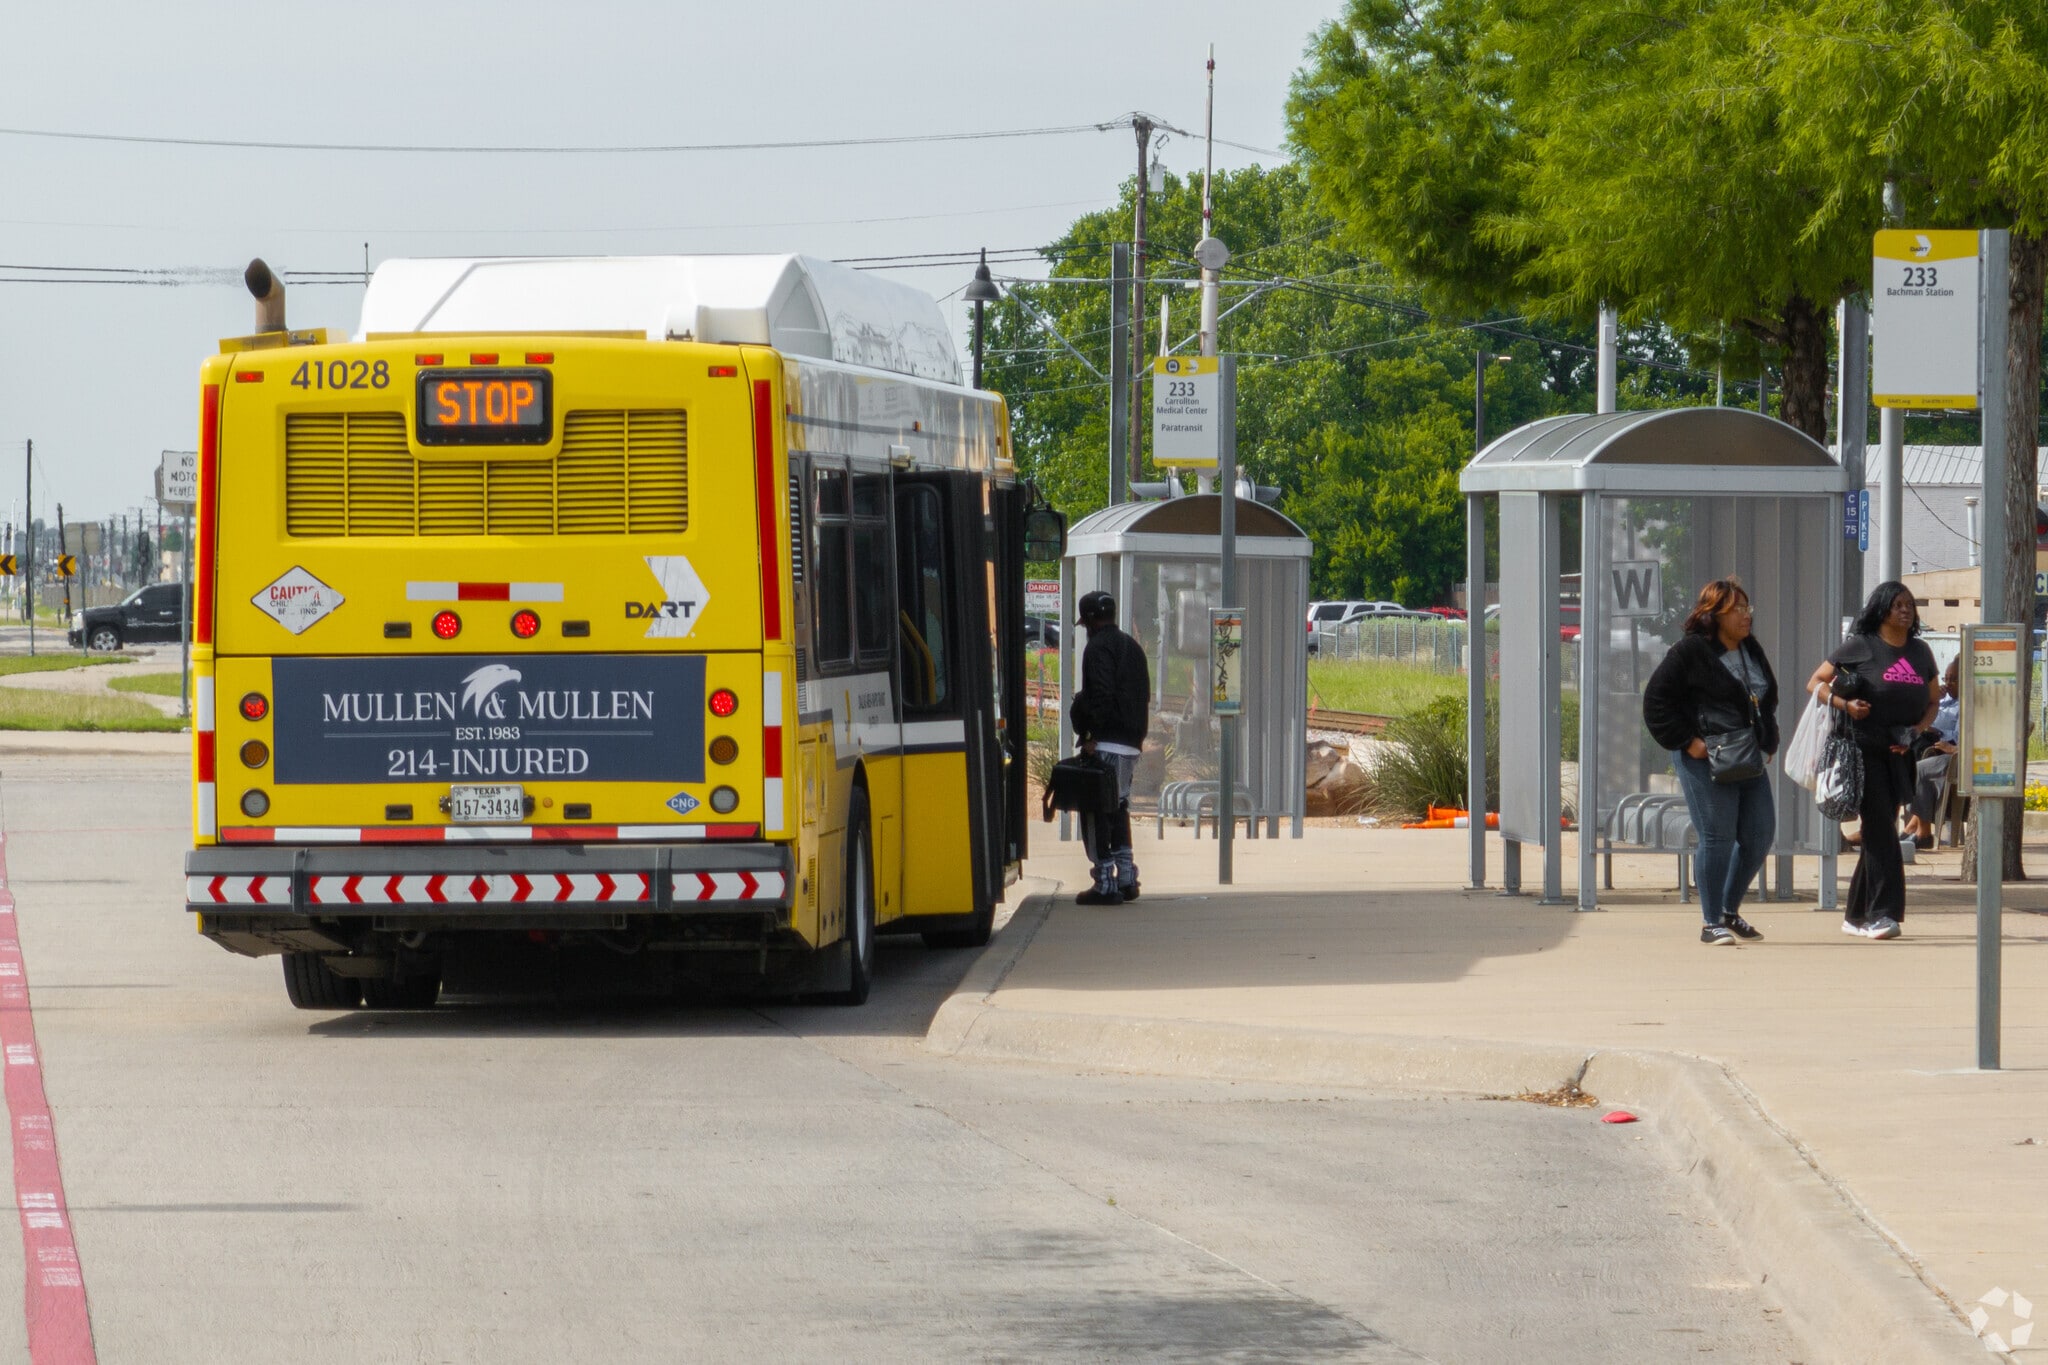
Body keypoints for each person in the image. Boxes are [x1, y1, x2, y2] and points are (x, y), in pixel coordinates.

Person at [1643, 578, 1781, 946]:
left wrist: (1769, 737)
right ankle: (1710, 922)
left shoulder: (1750, 648)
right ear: (1713, 613)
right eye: (1736, 608)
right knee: (1717, 836)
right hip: (1706, 759)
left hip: (1747, 756)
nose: (1744, 615)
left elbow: (1765, 697)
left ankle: (1728, 912)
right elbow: (1656, 701)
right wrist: (1688, 742)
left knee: (1758, 834)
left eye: (1746, 608)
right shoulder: (1691, 652)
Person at [1806, 582, 1941, 941]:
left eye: (1909, 605)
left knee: (1880, 830)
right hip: (1862, 750)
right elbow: (1815, 683)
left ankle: (1855, 915)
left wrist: (1917, 732)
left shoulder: (1921, 651)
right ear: (1881, 610)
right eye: (1897, 605)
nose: (1905, 611)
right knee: (1882, 829)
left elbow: (1933, 701)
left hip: (1901, 751)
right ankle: (1883, 914)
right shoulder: (1860, 647)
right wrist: (1845, 705)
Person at [1068, 589, 1151, 906]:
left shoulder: (1097, 649)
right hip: (1131, 742)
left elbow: (1100, 695)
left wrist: (1090, 734)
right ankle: (1127, 878)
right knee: (1118, 808)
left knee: (1097, 810)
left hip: (1107, 740)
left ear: (1089, 620)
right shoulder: (1132, 647)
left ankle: (1104, 883)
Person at [1904, 658, 1961, 849]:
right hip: (1935, 747)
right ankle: (1917, 828)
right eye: (1946, 678)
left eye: (1953, 679)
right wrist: (1935, 699)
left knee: (1920, 770)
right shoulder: (1945, 699)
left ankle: (1920, 830)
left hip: (1956, 755)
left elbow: (1964, 739)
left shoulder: (1967, 704)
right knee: (1912, 765)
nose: (1948, 683)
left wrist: (1952, 747)